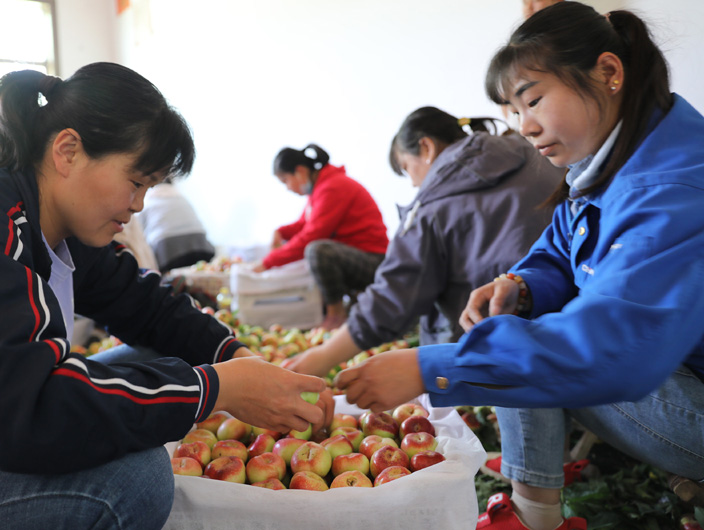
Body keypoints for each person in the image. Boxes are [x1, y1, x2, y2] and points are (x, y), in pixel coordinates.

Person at [0, 63, 329, 530]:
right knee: (134, 478)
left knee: (164, 350)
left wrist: (239, 357)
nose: (139, 204)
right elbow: (25, 417)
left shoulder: (61, 229)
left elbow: (149, 307)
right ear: (68, 151)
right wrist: (217, 388)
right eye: (136, 181)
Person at [334, 3, 704, 530]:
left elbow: (621, 349)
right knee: (515, 325)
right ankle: (536, 511)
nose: (525, 126)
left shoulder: (671, 186)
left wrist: (431, 366)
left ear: (609, 73)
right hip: (684, 373)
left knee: (524, 346)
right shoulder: (612, 158)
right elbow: (561, 245)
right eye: (513, 109)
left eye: (533, 101)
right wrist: (521, 284)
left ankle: (533, 518)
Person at [283, 107, 562, 377]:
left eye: (407, 168)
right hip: (564, 326)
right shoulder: (532, 152)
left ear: (426, 148)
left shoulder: (437, 199)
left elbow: (395, 294)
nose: (415, 185)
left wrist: (323, 357)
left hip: (497, 348)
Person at [255, 143, 389, 330]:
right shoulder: (319, 190)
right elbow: (304, 224)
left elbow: (312, 235)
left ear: (300, 171)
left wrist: (268, 262)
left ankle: (336, 315)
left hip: (374, 261)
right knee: (313, 248)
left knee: (317, 250)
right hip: (359, 255)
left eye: (285, 180)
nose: (287, 188)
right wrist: (280, 232)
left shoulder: (332, 187)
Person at [137, 181, 215, 272]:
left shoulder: (148, 200)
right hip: (201, 245)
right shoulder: (182, 197)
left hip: (168, 250)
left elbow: (139, 233)